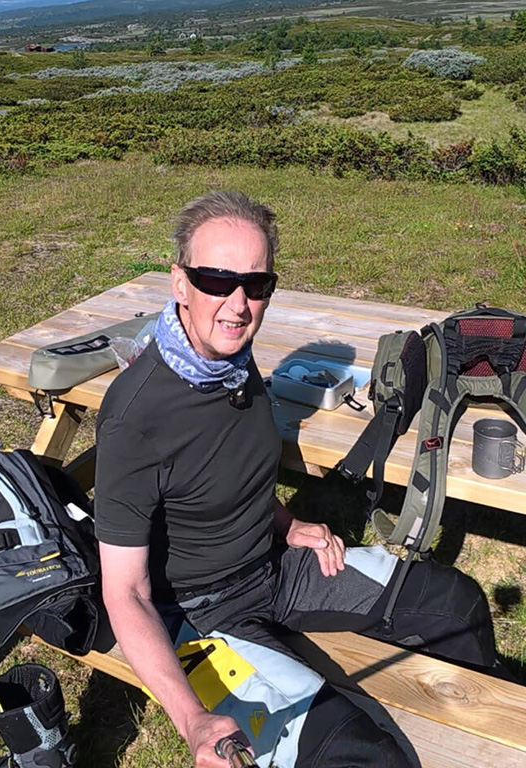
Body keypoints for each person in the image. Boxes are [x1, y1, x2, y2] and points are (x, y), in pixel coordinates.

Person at [94, 191, 498, 768]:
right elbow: (125, 593)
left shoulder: (234, 360)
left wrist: (286, 524)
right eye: (217, 280)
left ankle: (477, 742)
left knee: (456, 607)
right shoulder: (135, 416)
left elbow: (224, 473)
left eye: (255, 285)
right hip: (204, 613)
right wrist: (192, 719)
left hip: (276, 566)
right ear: (180, 283)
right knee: (360, 757)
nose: (238, 304)